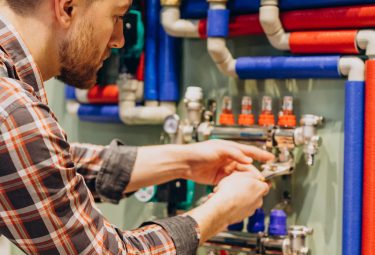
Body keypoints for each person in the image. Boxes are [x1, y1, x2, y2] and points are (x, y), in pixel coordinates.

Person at [0, 0, 273, 254]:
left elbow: (46, 168)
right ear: (67, 7)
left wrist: (185, 161)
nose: (120, 40)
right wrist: (221, 211)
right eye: (117, 16)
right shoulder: (12, 109)